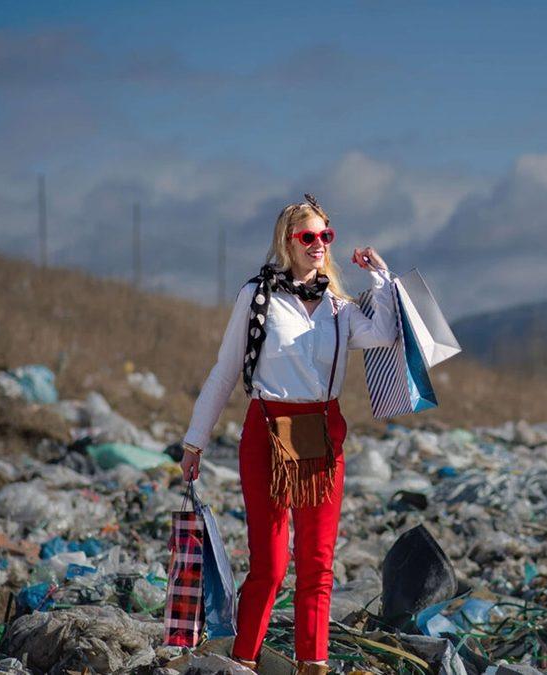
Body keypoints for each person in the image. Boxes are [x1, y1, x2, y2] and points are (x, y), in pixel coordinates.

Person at [179, 194, 398, 674]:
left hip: (322, 434)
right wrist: (195, 441)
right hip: (265, 432)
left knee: (318, 563)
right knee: (272, 564)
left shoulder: (340, 308)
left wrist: (380, 278)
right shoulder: (257, 296)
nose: (318, 244)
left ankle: (312, 664)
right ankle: (243, 662)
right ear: (288, 241)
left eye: (326, 235)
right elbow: (224, 370)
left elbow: (383, 333)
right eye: (308, 236)